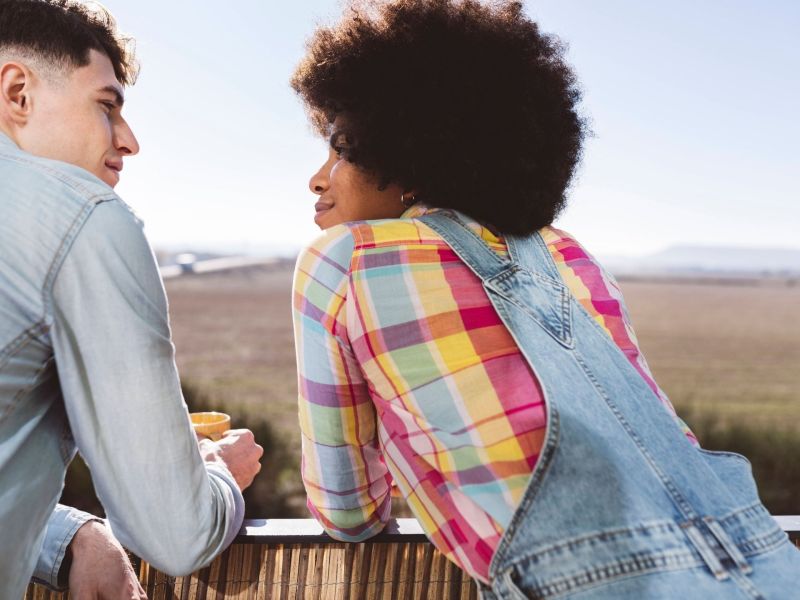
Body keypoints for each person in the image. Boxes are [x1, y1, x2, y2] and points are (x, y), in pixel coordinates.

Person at [289, 0, 800, 597]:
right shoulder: (572, 255)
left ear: (408, 156)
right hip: (765, 561)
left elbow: (349, 512)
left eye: (342, 148)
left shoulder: (345, 259)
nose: (318, 177)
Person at [0, 1, 263, 598]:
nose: (130, 141)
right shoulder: (84, 215)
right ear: (18, 93)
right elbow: (174, 533)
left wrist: (67, 537)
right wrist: (219, 470)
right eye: (107, 106)